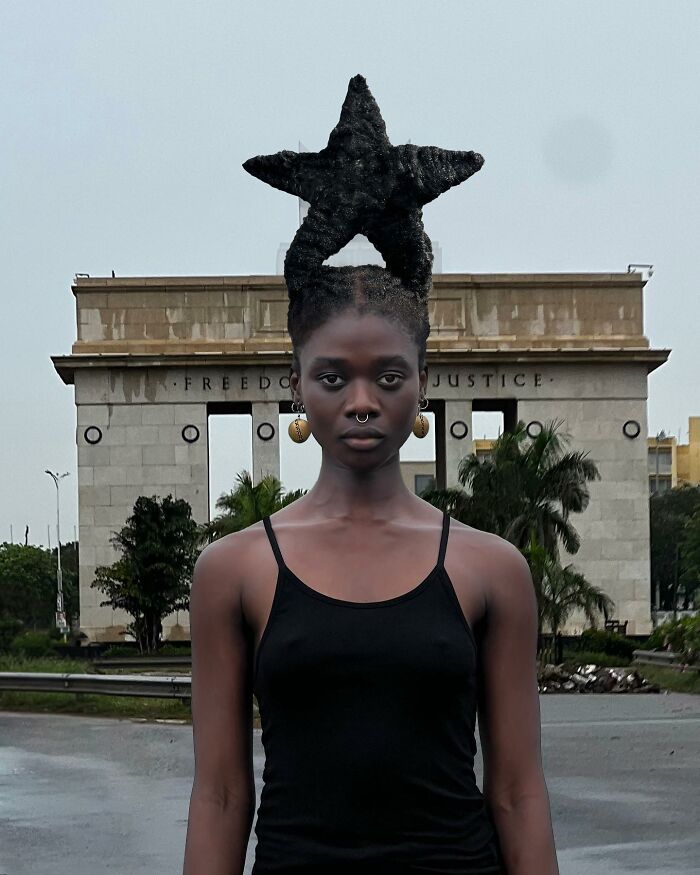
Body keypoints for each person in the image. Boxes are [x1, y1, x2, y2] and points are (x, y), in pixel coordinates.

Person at [183, 76, 559, 875]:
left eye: (388, 377)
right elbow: (219, 793)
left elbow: (520, 790)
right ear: (296, 382)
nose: (361, 402)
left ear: (424, 378)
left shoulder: (491, 568)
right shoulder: (232, 570)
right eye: (333, 378)